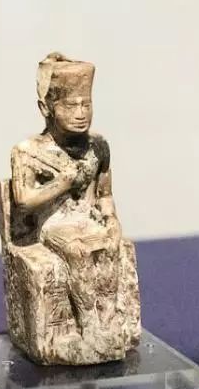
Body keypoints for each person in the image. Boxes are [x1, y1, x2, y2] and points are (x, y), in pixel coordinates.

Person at [10, 52, 123, 347]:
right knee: (78, 250)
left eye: (86, 104)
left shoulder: (98, 146)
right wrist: (62, 183)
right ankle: (89, 324)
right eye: (71, 106)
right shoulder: (29, 151)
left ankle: (110, 321)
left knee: (109, 246)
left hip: (88, 220)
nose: (81, 113)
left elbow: (105, 194)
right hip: (53, 225)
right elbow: (24, 200)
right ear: (46, 108)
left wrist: (111, 220)